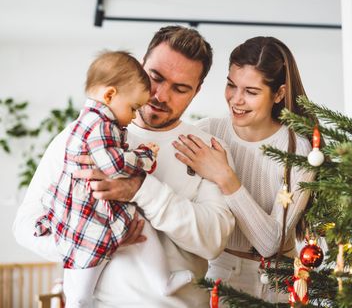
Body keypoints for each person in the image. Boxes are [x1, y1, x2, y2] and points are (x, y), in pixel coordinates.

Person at [13, 26, 235, 308]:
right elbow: (24, 226)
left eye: (180, 88)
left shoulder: (206, 148)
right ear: (141, 66)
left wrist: (140, 188)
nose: (160, 95)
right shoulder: (79, 136)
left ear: (197, 91)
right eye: (155, 77)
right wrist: (93, 240)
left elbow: (212, 241)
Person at [34, 50, 192, 307]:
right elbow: (113, 164)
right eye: (133, 108)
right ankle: (82, 300)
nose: (133, 116)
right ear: (109, 96)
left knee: (139, 229)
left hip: (89, 203)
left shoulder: (88, 121)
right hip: (89, 209)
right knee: (84, 269)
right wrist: (144, 157)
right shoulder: (101, 125)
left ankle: (161, 281)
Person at [173, 36, 316, 303]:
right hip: (215, 275)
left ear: (279, 94)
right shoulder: (207, 132)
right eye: (231, 85)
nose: (236, 100)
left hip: (277, 285)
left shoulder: (298, 149)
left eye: (251, 92)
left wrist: (225, 177)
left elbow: (270, 243)